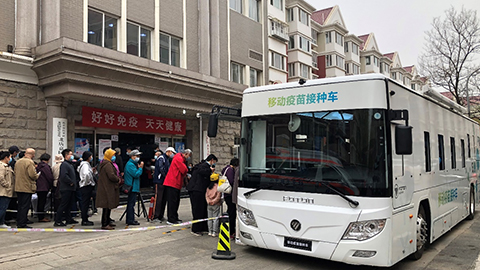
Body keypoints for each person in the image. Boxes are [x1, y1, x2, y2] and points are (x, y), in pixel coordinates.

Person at [187, 154, 218, 235]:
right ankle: (196, 229)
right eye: (214, 162)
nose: (214, 164)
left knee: (203, 209)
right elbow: (202, 172)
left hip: (200, 190)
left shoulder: (202, 166)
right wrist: (210, 171)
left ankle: (203, 227)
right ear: (211, 160)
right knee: (198, 209)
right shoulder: (203, 166)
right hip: (197, 190)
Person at [163, 149, 192, 225]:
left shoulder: (179, 158)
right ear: (186, 154)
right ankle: (171, 219)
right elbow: (184, 170)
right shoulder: (178, 158)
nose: (189, 158)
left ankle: (174, 217)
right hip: (172, 183)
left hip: (175, 183)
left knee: (175, 202)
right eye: (189, 156)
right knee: (172, 202)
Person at [14, 148, 39, 228]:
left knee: (20, 205)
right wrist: (37, 175)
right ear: (32, 155)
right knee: (25, 206)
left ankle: (19, 221)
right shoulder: (30, 162)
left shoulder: (18, 162)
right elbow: (32, 175)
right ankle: (22, 223)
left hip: (18, 186)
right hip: (26, 186)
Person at [96, 149, 120, 230]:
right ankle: (105, 223)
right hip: (107, 188)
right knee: (106, 206)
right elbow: (111, 176)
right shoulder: (107, 165)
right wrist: (118, 179)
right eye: (112, 155)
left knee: (108, 206)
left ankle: (108, 221)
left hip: (107, 187)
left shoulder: (106, 163)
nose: (114, 157)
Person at [54, 149, 79, 227]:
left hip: (70, 188)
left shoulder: (70, 164)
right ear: (66, 155)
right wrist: (71, 182)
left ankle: (69, 219)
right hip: (66, 188)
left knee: (69, 204)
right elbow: (64, 176)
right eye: (70, 154)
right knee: (63, 204)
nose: (72, 156)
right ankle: (58, 220)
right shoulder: (64, 164)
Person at [152, 147, 175, 223]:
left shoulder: (167, 159)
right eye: (172, 153)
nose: (173, 155)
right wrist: (167, 176)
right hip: (159, 181)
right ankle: (155, 216)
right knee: (158, 199)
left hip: (164, 181)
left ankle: (160, 215)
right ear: (168, 152)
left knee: (163, 199)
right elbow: (162, 169)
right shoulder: (161, 158)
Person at [124, 149, 144, 226]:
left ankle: (130, 218)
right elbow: (136, 174)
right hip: (131, 187)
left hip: (133, 186)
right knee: (131, 204)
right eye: (137, 156)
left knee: (131, 203)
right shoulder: (130, 165)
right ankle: (130, 219)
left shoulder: (133, 164)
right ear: (132, 156)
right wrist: (140, 168)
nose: (138, 158)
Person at [221, 158, 239, 239]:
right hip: (229, 194)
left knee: (229, 211)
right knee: (232, 213)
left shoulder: (226, 168)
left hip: (226, 193)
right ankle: (231, 231)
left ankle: (226, 228)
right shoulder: (230, 170)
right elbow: (231, 181)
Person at [78, 151, 95, 226]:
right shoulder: (85, 165)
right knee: (85, 203)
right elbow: (86, 175)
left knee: (86, 203)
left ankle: (85, 218)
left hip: (85, 186)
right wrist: (88, 182)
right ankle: (84, 219)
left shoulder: (85, 164)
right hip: (86, 186)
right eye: (91, 156)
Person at [36, 153, 53, 222]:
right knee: (42, 202)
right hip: (44, 186)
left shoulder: (38, 166)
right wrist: (51, 184)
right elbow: (49, 176)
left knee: (40, 201)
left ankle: (39, 215)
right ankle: (41, 217)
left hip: (38, 186)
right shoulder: (45, 167)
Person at [0, 151, 15, 228]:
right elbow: (1, 177)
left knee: (4, 208)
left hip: (6, 191)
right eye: (9, 157)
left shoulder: (6, 166)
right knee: (2, 208)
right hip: (3, 191)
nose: (10, 159)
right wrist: (7, 185)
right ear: (6, 157)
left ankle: (1, 223)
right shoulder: (2, 166)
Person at [205, 173, 222, 237]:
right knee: (215, 218)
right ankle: (214, 232)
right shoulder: (218, 187)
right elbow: (218, 196)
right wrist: (214, 201)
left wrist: (209, 201)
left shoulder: (208, 187)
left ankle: (210, 231)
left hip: (209, 204)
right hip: (216, 204)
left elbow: (206, 195)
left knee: (209, 218)